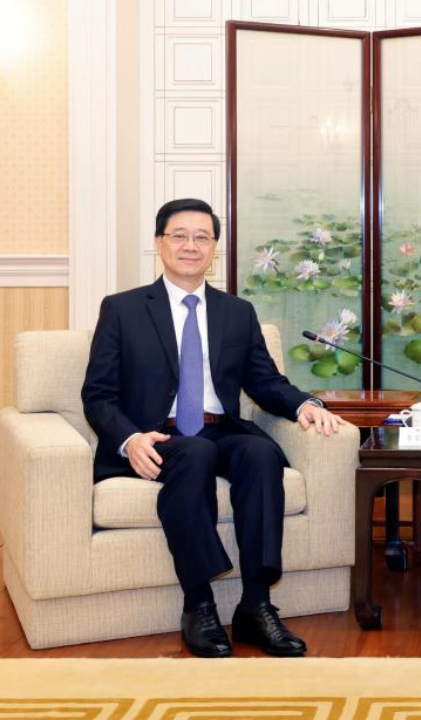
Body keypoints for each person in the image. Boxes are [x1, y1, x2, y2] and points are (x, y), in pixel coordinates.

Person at [82, 198, 348, 658]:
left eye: (202, 237)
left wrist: (306, 404)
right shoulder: (122, 309)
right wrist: (129, 439)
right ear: (159, 244)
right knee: (196, 455)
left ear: (214, 249)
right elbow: (97, 394)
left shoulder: (236, 312)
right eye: (179, 236)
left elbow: (264, 382)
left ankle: (256, 605)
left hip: (218, 427)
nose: (191, 246)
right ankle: (199, 603)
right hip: (157, 435)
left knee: (261, 454)